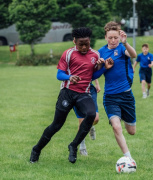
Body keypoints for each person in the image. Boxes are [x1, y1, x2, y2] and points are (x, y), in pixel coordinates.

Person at [30, 27, 113, 164]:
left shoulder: (95, 55)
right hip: (67, 93)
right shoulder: (68, 54)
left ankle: (73, 145)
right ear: (74, 41)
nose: (84, 47)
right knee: (56, 125)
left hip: (84, 94)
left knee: (91, 115)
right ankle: (36, 149)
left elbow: (92, 76)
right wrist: (69, 77)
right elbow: (59, 75)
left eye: (87, 43)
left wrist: (103, 68)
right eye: (81, 44)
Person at [92, 21, 137, 162]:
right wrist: (102, 66)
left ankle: (122, 116)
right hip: (110, 97)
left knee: (131, 131)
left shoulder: (123, 49)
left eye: (115, 37)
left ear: (119, 37)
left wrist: (125, 43)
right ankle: (128, 158)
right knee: (117, 127)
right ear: (105, 37)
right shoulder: (100, 52)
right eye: (110, 38)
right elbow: (94, 75)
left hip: (127, 96)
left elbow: (134, 55)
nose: (113, 41)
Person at [73, 79, 100, 156]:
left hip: (89, 89)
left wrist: (97, 83)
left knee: (96, 118)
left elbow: (91, 68)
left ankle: (90, 125)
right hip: (76, 89)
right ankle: (82, 148)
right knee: (82, 121)